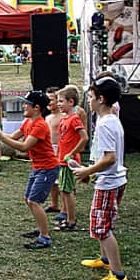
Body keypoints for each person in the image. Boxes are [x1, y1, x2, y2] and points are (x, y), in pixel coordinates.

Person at [0, 90, 59, 249]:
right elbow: (13, 137)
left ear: (36, 108)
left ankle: (45, 237)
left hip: (47, 168)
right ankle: (41, 228)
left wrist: (1, 137)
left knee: (33, 201)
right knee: (28, 198)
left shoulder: (40, 125)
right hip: (38, 167)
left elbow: (24, 147)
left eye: (26, 104)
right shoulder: (28, 122)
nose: (23, 106)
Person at [71, 75, 128, 280]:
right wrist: (90, 171)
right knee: (105, 223)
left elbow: (110, 158)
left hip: (109, 183)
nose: (89, 100)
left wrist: (87, 170)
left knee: (101, 227)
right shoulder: (111, 120)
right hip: (112, 179)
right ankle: (105, 260)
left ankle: (118, 276)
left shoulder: (105, 124)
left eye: (91, 96)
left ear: (101, 99)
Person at [54, 85, 89, 232]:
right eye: (58, 101)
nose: (58, 104)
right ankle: (68, 217)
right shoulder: (64, 119)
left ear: (71, 102)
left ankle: (71, 220)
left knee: (67, 191)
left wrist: (72, 153)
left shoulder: (74, 119)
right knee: (63, 190)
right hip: (62, 160)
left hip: (68, 161)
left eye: (61, 101)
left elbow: (84, 137)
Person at [44, 87, 63, 216]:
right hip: (50, 149)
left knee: (62, 179)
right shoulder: (48, 117)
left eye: (51, 100)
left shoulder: (63, 117)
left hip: (61, 150)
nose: (49, 103)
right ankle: (54, 204)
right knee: (52, 179)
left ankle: (65, 207)